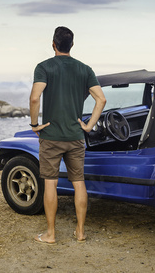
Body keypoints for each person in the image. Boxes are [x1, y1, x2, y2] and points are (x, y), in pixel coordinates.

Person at [30, 26, 106, 245]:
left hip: (51, 136)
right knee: (78, 183)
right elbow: (101, 100)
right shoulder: (85, 69)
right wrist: (89, 125)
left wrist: (35, 124)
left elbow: (35, 99)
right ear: (71, 45)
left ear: (53, 44)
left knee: (50, 184)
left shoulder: (44, 67)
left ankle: (51, 234)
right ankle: (80, 232)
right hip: (75, 136)